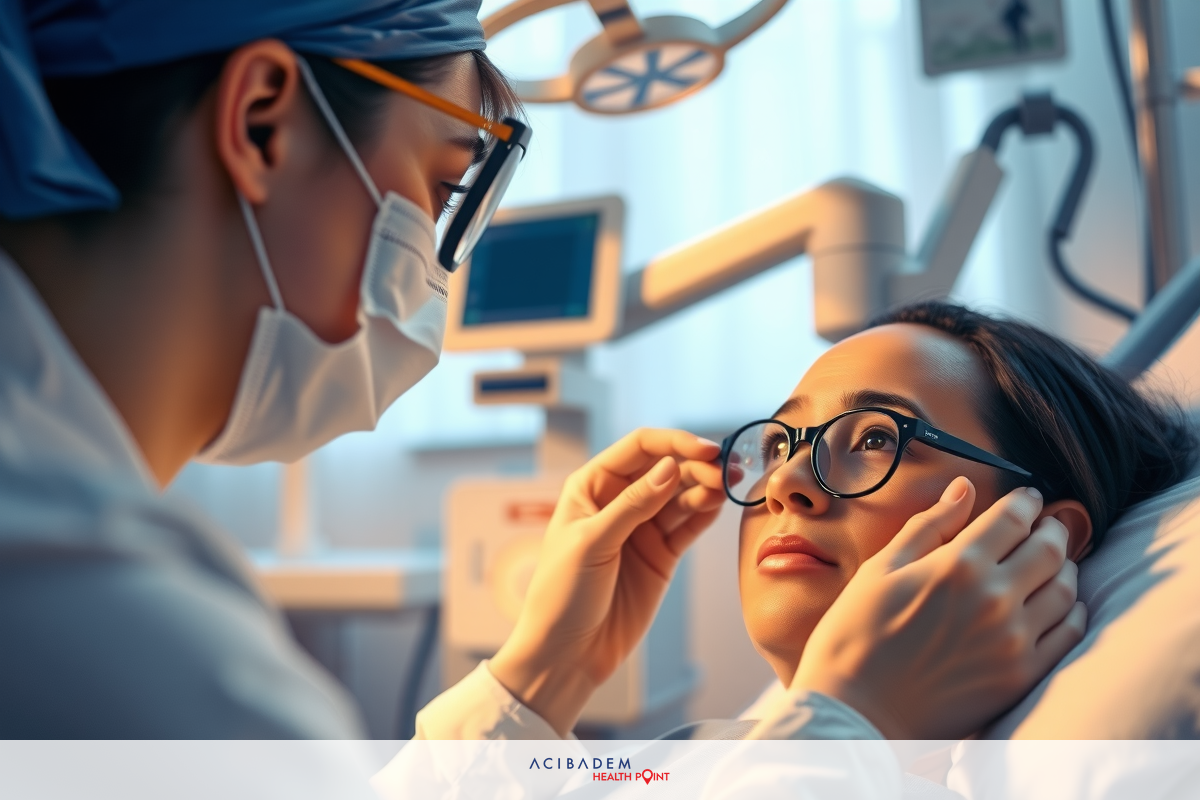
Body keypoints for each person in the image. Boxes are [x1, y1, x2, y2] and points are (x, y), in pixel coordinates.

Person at [0, 0, 1079, 777]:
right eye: (439, 188)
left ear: (1051, 535)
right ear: (261, 123)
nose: (789, 484)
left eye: (877, 437)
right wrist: (842, 731)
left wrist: (533, 681)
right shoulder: (89, 608)